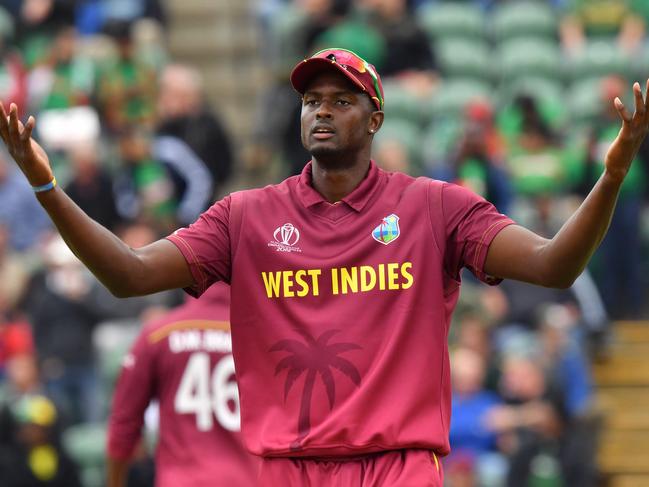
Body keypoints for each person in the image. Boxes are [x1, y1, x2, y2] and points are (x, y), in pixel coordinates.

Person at [0, 47, 647, 486]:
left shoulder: (433, 207)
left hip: (397, 464)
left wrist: (612, 174)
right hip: (288, 465)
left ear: (376, 118)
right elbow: (129, 275)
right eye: (312, 100)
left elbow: (554, 264)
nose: (321, 110)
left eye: (341, 100)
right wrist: (48, 189)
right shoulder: (245, 216)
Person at [106, 282, 259, 487]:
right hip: (249, 479)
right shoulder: (262, 336)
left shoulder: (158, 334)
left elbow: (123, 426)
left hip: (181, 480)